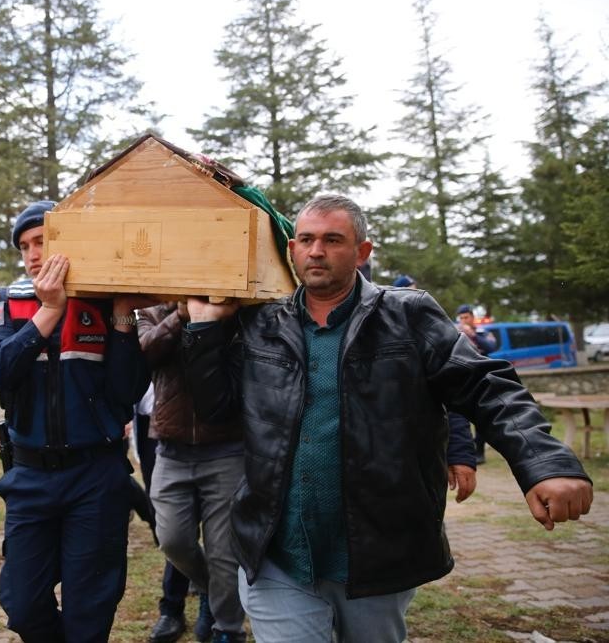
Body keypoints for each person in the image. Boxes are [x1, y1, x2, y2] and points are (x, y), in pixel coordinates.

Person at [183, 194, 593, 643]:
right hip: (277, 555)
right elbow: (218, 409)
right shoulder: (262, 323)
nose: (316, 251)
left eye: (332, 240)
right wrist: (203, 328)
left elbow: (485, 385)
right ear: (292, 250)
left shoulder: (406, 314)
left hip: (377, 553)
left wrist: (546, 463)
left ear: (362, 252)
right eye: (306, 240)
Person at [0, 200, 151, 642]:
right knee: (23, 606)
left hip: (96, 477)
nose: (33, 254)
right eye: (24, 246)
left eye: (42, 241)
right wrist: (50, 310)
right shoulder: (4, 302)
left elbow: (126, 392)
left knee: (88, 613)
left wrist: (123, 318)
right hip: (29, 477)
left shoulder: (103, 302)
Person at [139, 301, 246, 643]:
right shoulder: (154, 311)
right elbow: (142, 354)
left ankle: (228, 629)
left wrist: (218, 318)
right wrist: (180, 317)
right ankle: (210, 590)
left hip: (227, 448)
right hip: (172, 449)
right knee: (172, 540)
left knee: (224, 552)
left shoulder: (239, 310)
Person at [392, 278, 477, 497]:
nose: (411, 298)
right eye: (407, 291)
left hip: (413, 467)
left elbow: (452, 391)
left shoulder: (427, 328)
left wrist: (460, 453)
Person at [132, 382, 197, 643]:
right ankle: (191, 590)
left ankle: (176, 604)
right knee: (168, 524)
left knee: (212, 520)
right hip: (152, 421)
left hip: (204, 418)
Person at [455, 303, 497, 463]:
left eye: (466, 317)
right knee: (461, 417)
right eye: (461, 318)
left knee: (481, 415)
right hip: (462, 379)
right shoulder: (455, 332)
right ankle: (465, 452)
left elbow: (491, 346)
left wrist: (473, 334)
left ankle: (480, 451)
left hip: (481, 378)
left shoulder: (483, 332)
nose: (464, 320)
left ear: (472, 317)